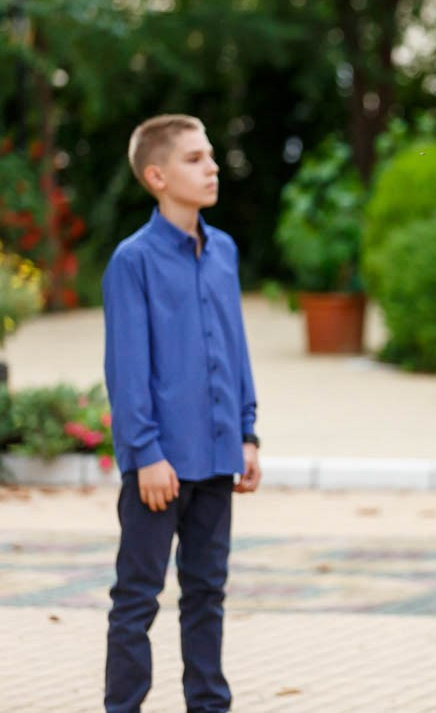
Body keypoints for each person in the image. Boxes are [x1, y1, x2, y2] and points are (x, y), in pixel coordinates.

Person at [102, 114, 262, 713]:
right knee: (137, 598)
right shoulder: (132, 261)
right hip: (159, 467)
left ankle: (209, 705)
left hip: (217, 458)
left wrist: (247, 433)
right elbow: (126, 368)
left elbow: (235, 348)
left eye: (211, 155)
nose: (212, 167)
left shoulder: (224, 252)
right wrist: (145, 453)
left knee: (206, 595)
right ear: (157, 176)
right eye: (195, 159)